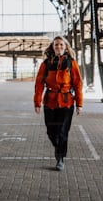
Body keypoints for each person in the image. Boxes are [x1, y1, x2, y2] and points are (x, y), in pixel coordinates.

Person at [33, 36, 83, 171]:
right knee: (51, 132)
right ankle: (59, 148)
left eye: (61, 45)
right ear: (52, 47)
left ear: (65, 47)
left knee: (62, 132)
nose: (59, 47)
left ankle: (60, 158)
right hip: (50, 102)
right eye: (56, 45)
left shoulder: (71, 63)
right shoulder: (46, 64)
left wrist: (79, 103)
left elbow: (78, 83)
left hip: (66, 103)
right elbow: (39, 84)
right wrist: (37, 102)